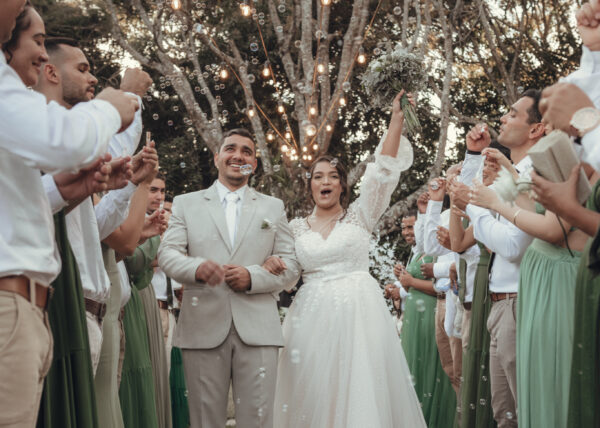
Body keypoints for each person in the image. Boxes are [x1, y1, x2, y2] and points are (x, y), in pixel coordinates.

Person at [0, 3, 137, 426]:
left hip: (29, 307)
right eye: (37, 40)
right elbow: (63, 141)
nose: (42, 54)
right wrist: (112, 106)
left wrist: (62, 190)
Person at [269, 92, 426, 427]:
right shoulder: (294, 228)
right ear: (310, 185)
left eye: (333, 176)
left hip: (360, 313)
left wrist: (396, 118)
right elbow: (286, 272)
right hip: (310, 316)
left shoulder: (361, 215)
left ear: (342, 185)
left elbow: (382, 171)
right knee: (313, 391)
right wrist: (272, 266)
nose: (325, 181)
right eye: (318, 176)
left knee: (360, 389)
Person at [158, 128, 301, 428]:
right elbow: (168, 254)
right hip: (202, 326)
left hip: (259, 329)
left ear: (254, 164)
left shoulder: (272, 207)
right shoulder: (186, 203)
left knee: (259, 421)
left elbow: (291, 265)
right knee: (204, 421)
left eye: (247, 152)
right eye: (231, 149)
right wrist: (197, 269)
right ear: (217, 158)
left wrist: (253, 277)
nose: (238, 156)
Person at [464, 89, 544, 427]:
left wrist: (474, 207)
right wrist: (472, 156)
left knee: (526, 411)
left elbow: (511, 246)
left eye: (512, 114)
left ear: (536, 129)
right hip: (499, 305)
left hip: (517, 303)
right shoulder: (510, 172)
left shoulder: (531, 174)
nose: (502, 118)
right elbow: (469, 199)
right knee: (503, 415)